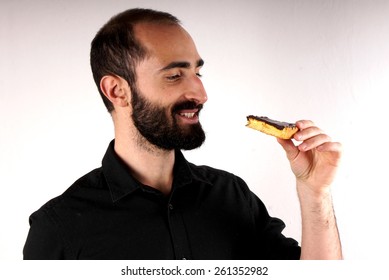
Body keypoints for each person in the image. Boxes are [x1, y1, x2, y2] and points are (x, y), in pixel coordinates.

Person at [23, 8, 342, 260]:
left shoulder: (231, 195)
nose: (201, 93)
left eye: (197, 72)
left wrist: (316, 193)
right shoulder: (59, 228)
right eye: (175, 75)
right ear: (118, 91)